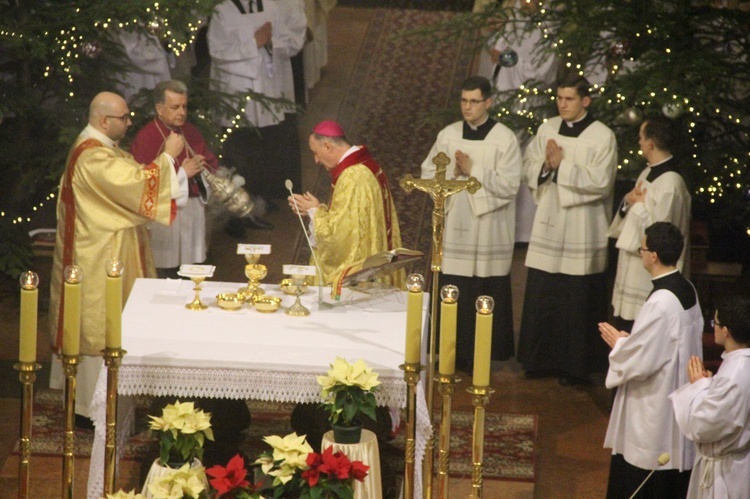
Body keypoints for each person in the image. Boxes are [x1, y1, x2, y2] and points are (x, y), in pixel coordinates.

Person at [48, 91, 193, 426]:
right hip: (97, 258)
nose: (129, 123)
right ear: (103, 121)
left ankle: (113, 403)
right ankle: (92, 410)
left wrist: (174, 170)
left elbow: (134, 181)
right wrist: (168, 158)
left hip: (108, 249)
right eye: (124, 118)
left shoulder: (101, 150)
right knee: (99, 329)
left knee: (115, 325)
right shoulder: (91, 157)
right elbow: (134, 185)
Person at [516, 74, 617, 385]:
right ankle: (538, 361)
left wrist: (562, 166)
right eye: (559, 98)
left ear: (585, 101)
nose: (562, 104)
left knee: (576, 299)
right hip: (549, 222)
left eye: (569, 99)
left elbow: (602, 182)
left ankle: (575, 367)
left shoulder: (602, 136)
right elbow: (528, 165)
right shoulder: (547, 128)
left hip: (582, 227)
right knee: (544, 291)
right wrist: (545, 167)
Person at [420, 75, 522, 369]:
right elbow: (429, 172)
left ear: (488, 102)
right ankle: (452, 354)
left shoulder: (504, 138)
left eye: (474, 101)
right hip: (455, 226)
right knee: (455, 285)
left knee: (483, 286)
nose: (467, 107)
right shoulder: (448, 135)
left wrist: (472, 169)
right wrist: (451, 172)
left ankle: (484, 356)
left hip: (488, 228)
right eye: (464, 101)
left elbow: (509, 185)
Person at [600, 221, 703, 499]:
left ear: (653, 255)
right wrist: (632, 341)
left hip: (655, 402)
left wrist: (620, 344)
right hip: (677, 392)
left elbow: (642, 362)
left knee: (645, 468)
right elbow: (661, 343)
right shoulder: (687, 288)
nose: (640, 253)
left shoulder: (661, 301)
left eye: (642, 248)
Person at [208, 0, 302, 214]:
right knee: (239, 149)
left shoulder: (271, 6)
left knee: (265, 147)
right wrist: (254, 43)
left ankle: (262, 196)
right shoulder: (223, 11)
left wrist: (271, 43)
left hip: (266, 89)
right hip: (237, 92)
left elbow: (292, 44)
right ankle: (236, 208)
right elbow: (218, 52)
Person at [287, 120, 403, 288]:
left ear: (327, 146)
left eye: (316, 153)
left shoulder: (352, 177)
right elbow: (351, 219)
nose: (316, 160)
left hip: (358, 279)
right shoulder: (365, 165)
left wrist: (314, 212)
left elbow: (342, 239)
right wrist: (318, 209)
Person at [609, 116, 691, 332]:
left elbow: (665, 235)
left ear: (651, 143)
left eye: (641, 138)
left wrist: (639, 206)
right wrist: (628, 201)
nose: (639, 142)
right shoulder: (647, 172)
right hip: (633, 263)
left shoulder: (671, 183)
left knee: (644, 327)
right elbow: (636, 208)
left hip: (650, 268)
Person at [130, 80, 217, 279]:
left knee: (193, 268)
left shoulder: (190, 131)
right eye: (175, 107)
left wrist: (201, 168)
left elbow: (210, 164)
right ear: (159, 109)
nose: (181, 112)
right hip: (165, 215)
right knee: (166, 270)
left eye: (184, 106)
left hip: (192, 213)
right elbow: (143, 183)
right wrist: (182, 175)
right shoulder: (147, 137)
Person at [669, 296, 750, 499]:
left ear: (726, 331)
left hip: (726, 473)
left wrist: (698, 387)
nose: (713, 327)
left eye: (715, 323)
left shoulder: (736, 372)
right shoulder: (737, 363)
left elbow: (705, 426)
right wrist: (711, 385)